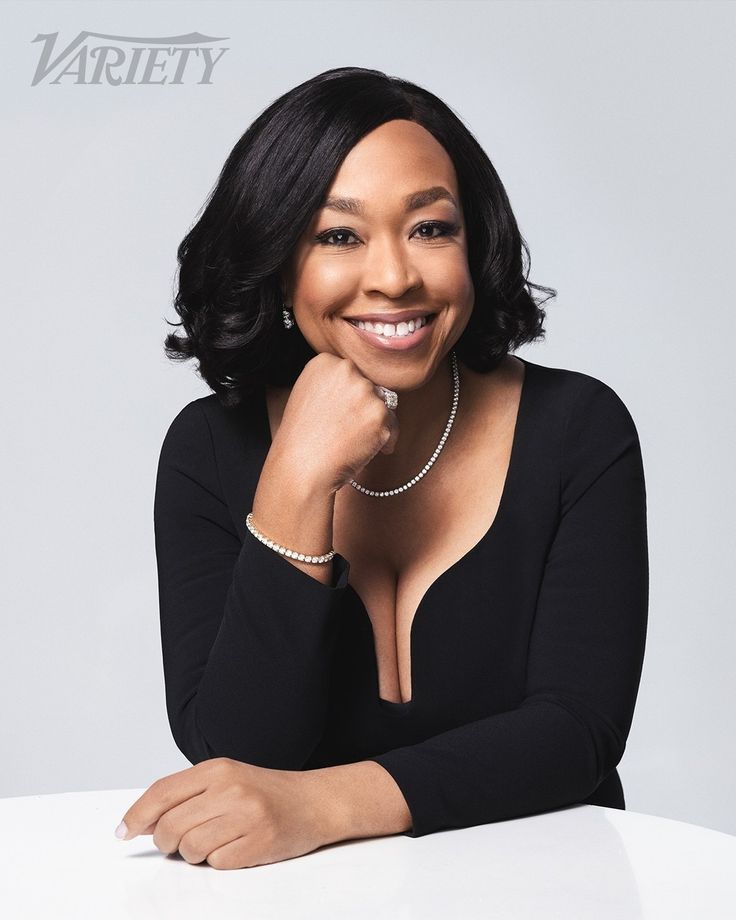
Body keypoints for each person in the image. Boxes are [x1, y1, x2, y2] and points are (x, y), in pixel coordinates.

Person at [146, 67, 649, 867]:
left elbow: (576, 733)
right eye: (338, 236)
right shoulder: (208, 451)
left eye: (430, 228)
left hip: (556, 888)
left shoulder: (577, 430)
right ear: (278, 261)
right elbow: (240, 749)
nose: (395, 277)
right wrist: (296, 482)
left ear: (472, 241)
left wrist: (323, 803)